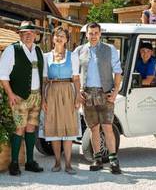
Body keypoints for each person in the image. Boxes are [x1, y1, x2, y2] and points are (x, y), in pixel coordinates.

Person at [74, 22, 122, 174]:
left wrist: (115, 92)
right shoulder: (79, 50)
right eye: (90, 33)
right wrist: (78, 92)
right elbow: (75, 75)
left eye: (96, 33)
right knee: (93, 128)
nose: (93, 36)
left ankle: (113, 160)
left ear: (100, 33)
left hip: (105, 93)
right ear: (86, 34)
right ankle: (97, 159)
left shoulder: (110, 49)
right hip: (87, 94)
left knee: (107, 127)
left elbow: (118, 72)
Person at [0, 21, 44, 176]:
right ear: (19, 34)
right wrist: (11, 94)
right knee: (19, 128)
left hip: (36, 96)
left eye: (31, 33)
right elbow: (3, 75)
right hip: (19, 97)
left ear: (35, 35)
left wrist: (42, 95)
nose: (28, 35)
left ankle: (30, 162)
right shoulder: (12, 50)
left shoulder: (38, 50)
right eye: (25, 33)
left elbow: (41, 74)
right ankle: (13, 163)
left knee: (31, 128)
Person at [39, 27, 81, 174]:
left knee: (68, 129)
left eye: (62, 36)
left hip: (68, 91)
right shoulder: (46, 57)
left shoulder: (73, 56)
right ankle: (57, 161)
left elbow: (76, 78)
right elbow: (44, 80)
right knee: (54, 129)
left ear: (67, 40)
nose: (59, 38)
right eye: (57, 35)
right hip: (51, 92)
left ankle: (68, 163)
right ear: (52, 38)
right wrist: (43, 99)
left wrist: (78, 96)